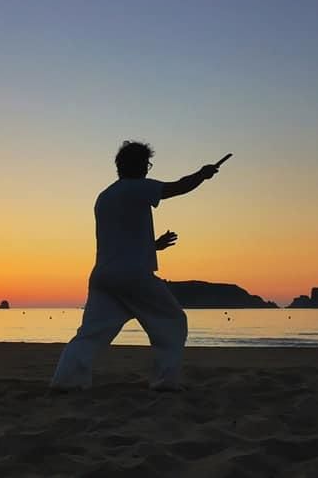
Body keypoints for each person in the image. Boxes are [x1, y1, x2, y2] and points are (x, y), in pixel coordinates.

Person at [50, 141, 223, 391]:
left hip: (103, 276)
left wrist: (153, 246)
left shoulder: (105, 196)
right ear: (139, 164)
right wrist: (202, 175)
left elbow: (119, 240)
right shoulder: (138, 187)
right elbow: (177, 188)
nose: (148, 168)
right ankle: (165, 382)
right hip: (133, 275)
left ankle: (65, 383)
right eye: (147, 163)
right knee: (172, 322)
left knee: (90, 335)